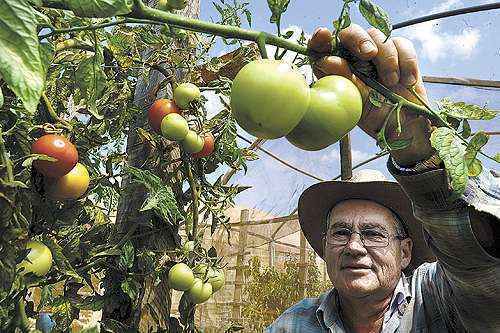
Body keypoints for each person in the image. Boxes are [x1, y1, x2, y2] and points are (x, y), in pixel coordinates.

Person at [265, 25, 500, 333]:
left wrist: (419, 156)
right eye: (339, 233)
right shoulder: (295, 324)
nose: (354, 247)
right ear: (325, 248)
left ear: (405, 253)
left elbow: (486, 283)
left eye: (374, 234)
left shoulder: (436, 298)